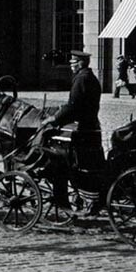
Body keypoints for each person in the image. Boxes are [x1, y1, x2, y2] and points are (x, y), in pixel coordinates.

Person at [38, 50, 104, 212]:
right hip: (91, 127)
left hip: (81, 129)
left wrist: (53, 119)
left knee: (52, 147)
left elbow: (73, 107)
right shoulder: (90, 78)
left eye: (73, 63)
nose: (71, 66)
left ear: (80, 63)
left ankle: (50, 171)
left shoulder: (82, 79)